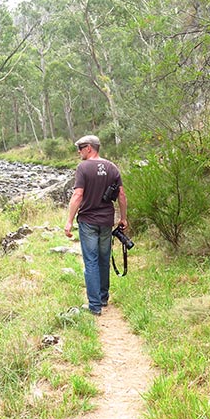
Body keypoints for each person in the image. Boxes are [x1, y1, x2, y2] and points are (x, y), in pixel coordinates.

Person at [64, 135, 128, 316]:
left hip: (88, 221)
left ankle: (94, 306)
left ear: (90, 148)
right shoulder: (112, 167)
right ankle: (102, 297)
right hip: (107, 221)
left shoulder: (83, 168)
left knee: (91, 261)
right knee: (103, 258)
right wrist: (123, 218)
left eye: (81, 147)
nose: (79, 151)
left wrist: (69, 221)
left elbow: (77, 195)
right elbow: (121, 195)